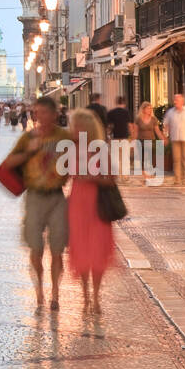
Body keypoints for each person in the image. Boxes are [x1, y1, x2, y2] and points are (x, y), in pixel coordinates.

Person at [0, 96, 71, 312]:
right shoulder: (28, 137)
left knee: (58, 248)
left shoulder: (65, 137)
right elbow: (7, 164)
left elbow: (78, 163)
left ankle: (55, 293)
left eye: (43, 112)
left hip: (57, 196)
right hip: (34, 197)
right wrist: (29, 151)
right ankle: (39, 288)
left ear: (54, 114)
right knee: (36, 248)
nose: (38, 116)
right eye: (36, 112)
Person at [66, 109, 115, 326]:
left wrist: (91, 177)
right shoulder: (70, 149)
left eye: (76, 126)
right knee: (81, 251)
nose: (73, 130)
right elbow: (63, 174)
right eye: (72, 126)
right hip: (77, 204)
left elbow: (111, 179)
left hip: (97, 205)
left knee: (96, 250)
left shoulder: (100, 149)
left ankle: (96, 295)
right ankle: (85, 294)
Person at [163, 93, 185, 186]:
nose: (175, 102)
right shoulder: (170, 112)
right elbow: (166, 125)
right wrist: (165, 136)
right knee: (176, 159)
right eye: (175, 100)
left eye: (177, 100)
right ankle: (177, 179)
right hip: (175, 138)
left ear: (182, 101)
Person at [135, 101, 165, 182]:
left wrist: (162, 139)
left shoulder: (153, 119)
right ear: (143, 109)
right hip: (140, 141)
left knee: (149, 158)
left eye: (150, 108)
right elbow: (136, 131)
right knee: (142, 158)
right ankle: (144, 175)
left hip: (150, 140)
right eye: (148, 108)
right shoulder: (138, 119)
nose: (150, 110)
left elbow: (157, 131)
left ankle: (149, 173)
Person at [106, 94, 135, 176]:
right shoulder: (126, 112)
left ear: (116, 103)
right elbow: (130, 125)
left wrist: (107, 136)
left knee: (115, 158)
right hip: (124, 137)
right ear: (124, 103)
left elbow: (108, 127)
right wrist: (132, 137)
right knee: (125, 157)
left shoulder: (111, 113)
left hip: (114, 137)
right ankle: (125, 176)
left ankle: (117, 175)